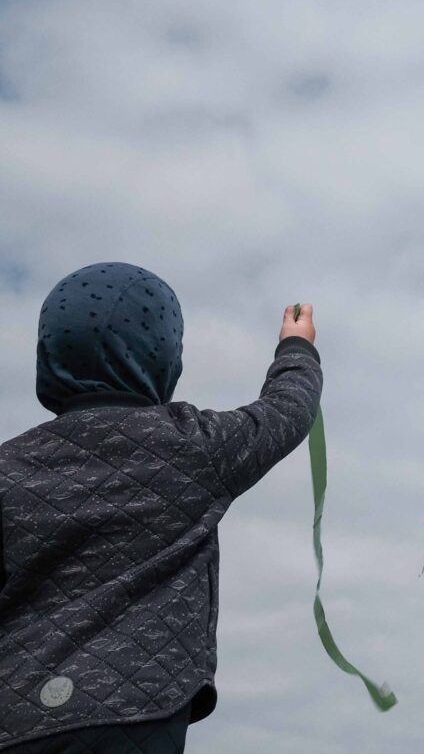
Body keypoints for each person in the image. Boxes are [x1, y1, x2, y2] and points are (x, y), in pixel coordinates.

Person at [0, 263, 322, 753]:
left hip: (15, 718)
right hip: (137, 713)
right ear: (165, 359)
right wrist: (296, 346)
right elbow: (287, 410)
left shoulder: (8, 466)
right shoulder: (193, 445)